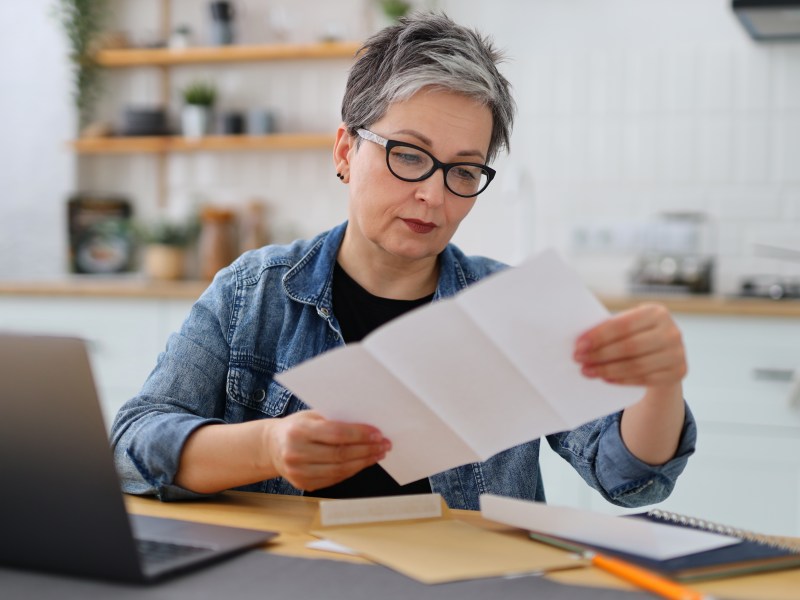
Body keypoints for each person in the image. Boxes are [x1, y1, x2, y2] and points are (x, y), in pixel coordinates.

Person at [111, 12, 696, 511]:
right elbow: (132, 449)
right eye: (409, 156)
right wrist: (265, 447)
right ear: (346, 150)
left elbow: (629, 480)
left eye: (464, 170)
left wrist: (660, 386)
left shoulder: (513, 308)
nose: (435, 196)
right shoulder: (253, 295)